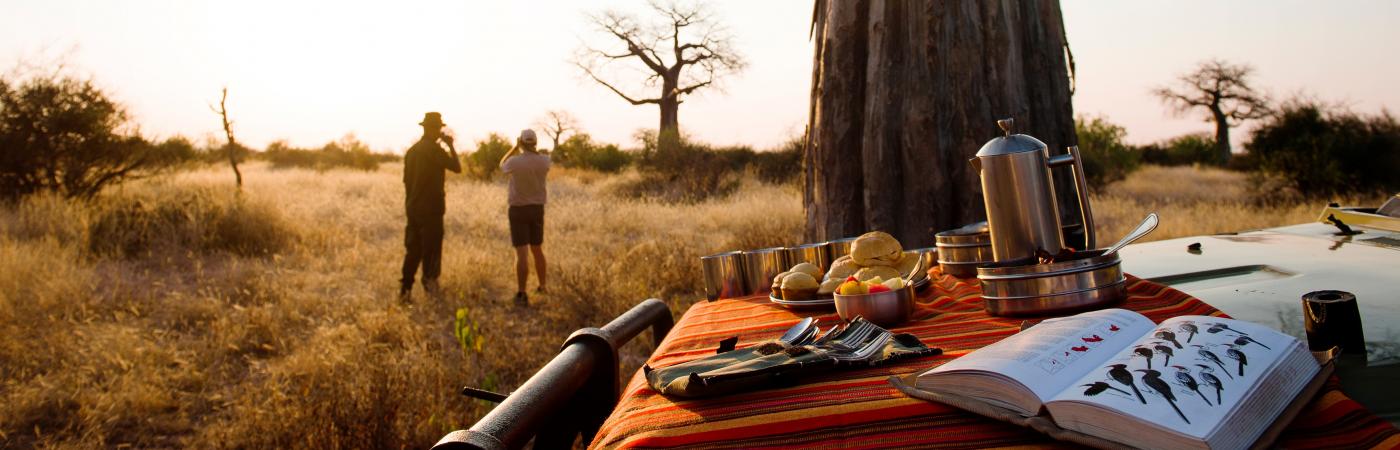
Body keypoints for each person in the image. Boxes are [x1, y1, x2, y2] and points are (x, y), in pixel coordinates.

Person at [400, 112, 461, 300]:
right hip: (432, 208)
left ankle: (405, 289)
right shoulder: (434, 150)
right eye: (438, 128)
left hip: (413, 206)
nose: (439, 132)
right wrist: (450, 145)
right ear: (433, 129)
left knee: (413, 249)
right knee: (432, 249)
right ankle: (430, 286)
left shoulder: (412, 151)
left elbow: (406, 181)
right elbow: (456, 167)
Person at [499, 129, 550, 306]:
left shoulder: (514, 162)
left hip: (518, 209)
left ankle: (522, 292)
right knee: (537, 249)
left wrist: (514, 147)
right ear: (535, 142)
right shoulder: (545, 161)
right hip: (537, 209)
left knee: (522, 253)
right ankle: (542, 286)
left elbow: (502, 165)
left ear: (521, 142)